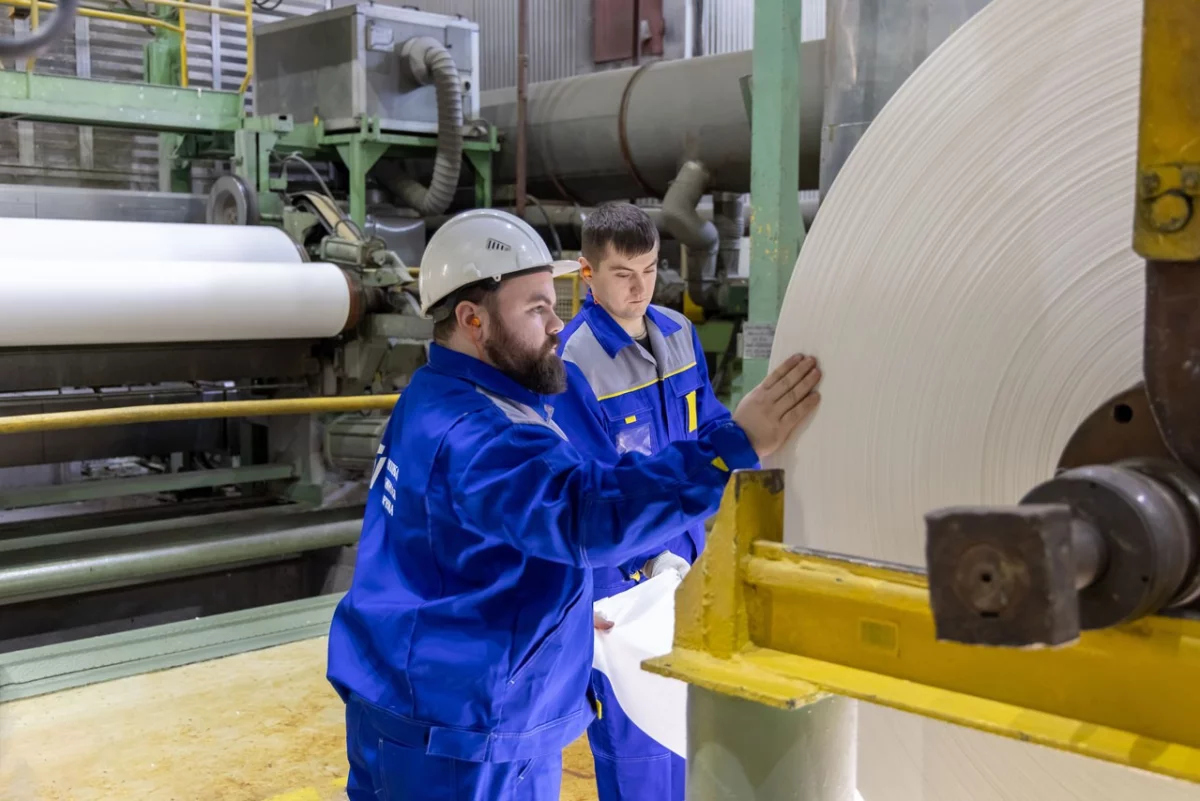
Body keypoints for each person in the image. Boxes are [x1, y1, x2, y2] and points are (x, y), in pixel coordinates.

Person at [325, 208, 822, 801]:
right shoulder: (479, 432)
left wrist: (559, 608)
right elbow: (588, 512)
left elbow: (459, 549)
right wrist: (734, 446)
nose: (557, 324)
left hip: (432, 700)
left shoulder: (437, 395)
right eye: (537, 308)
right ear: (472, 319)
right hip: (461, 734)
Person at [551, 201, 733, 801]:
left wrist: (750, 457)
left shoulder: (678, 334)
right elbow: (593, 487)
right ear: (588, 273)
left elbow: (708, 424)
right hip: (620, 586)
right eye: (623, 274)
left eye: (650, 270)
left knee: (689, 730)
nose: (640, 288)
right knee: (639, 750)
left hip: (688, 565)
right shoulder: (572, 362)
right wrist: (648, 559)